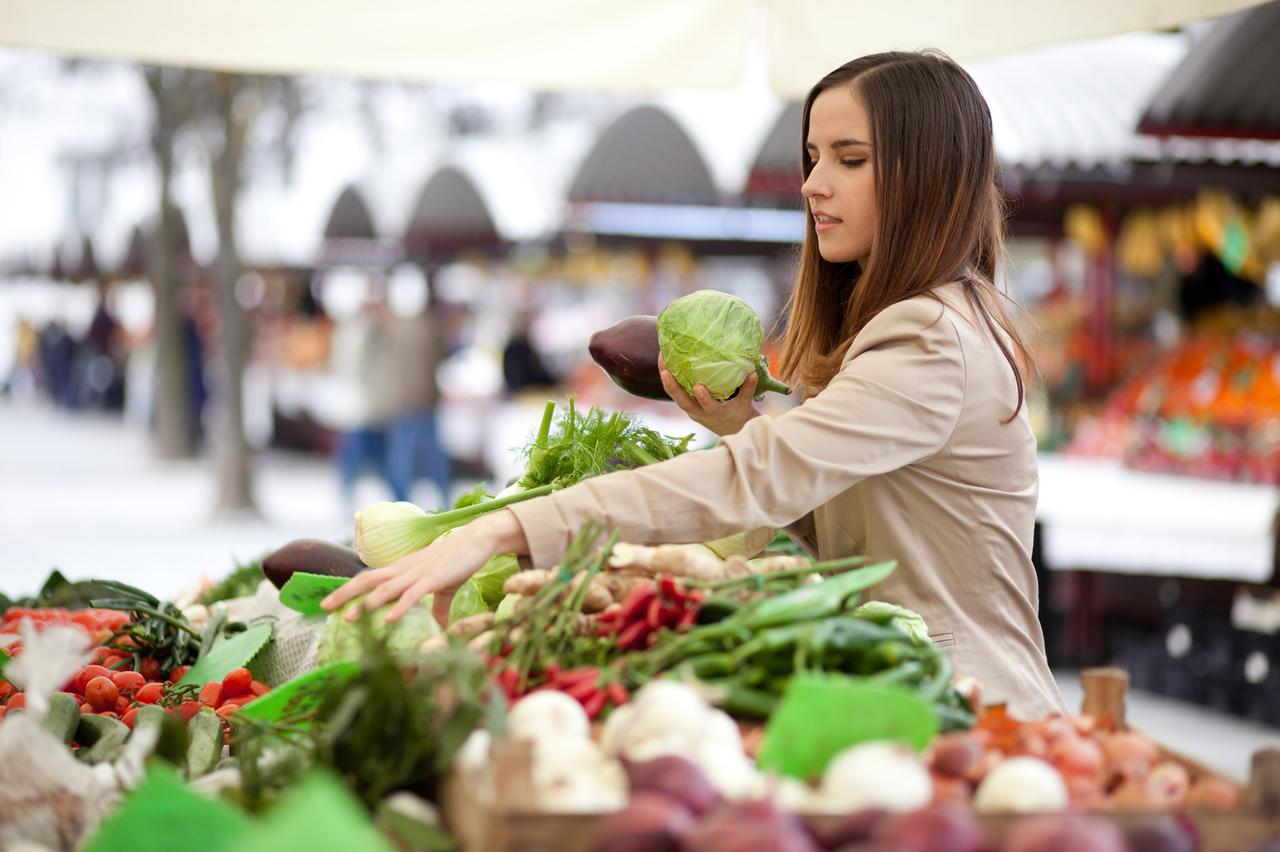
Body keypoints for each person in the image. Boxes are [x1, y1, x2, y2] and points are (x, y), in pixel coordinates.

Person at [324, 51, 1066, 719]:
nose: (813, 184)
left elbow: (760, 480)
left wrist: (505, 526)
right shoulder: (917, 322)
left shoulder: (930, 337)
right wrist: (743, 424)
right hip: (903, 696)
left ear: (926, 174)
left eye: (850, 159)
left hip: (976, 711)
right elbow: (840, 524)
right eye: (812, 157)